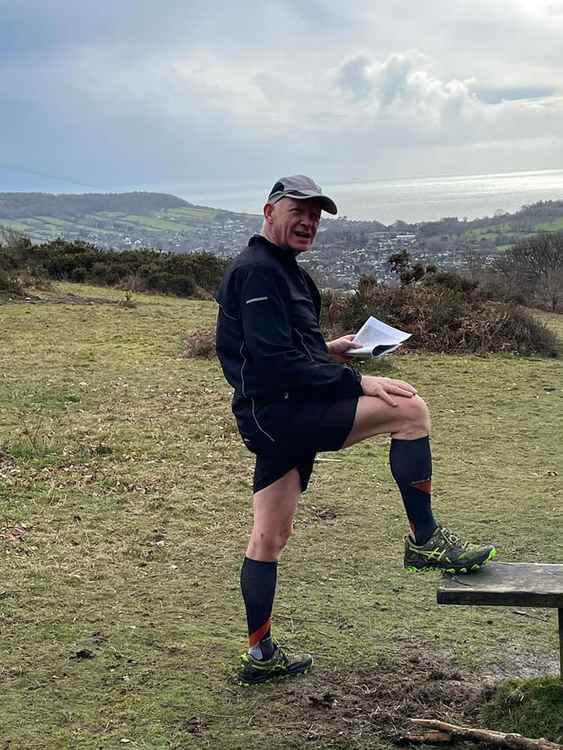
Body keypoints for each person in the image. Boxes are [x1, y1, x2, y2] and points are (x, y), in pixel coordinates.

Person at [214, 175, 496, 686]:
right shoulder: (255, 273)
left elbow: (290, 350)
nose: (309, 223)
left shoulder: (290, 274)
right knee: (411, 410)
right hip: (280, 414)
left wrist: (333, 351)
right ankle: (425, 540)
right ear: (269, 210)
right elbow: (273, 364)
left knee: (269, 535)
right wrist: (358, 381)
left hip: (283, 410)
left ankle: (260, 655)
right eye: (299, 211)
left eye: (317, 215)